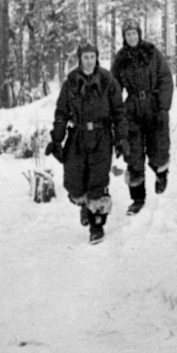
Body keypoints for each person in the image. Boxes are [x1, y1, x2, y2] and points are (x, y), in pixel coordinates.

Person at [46, 42, 130, 244]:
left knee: (97, 181)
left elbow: (119, 112)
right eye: (86, 57)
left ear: (97, 58)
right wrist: (57, 139)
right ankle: (85, 205)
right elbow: (61, 113)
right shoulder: (71, 82)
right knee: (74, 182)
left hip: (102, 137)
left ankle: (96, 226)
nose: (89, 61)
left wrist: (121, 138)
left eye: (92, 57)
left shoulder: (107, 80)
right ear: (80, 59)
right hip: (77, 136)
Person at [111, 18, 174, 215]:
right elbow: (113, 89)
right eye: (128, 34)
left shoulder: (152, 53)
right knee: (134, 156)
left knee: (158, 148)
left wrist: (163, 108)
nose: (132, 37)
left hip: (153, 107)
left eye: (134, 33)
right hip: (132, 111)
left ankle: (161, 174)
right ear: (124, 37)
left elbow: (165, 79)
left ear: (139, 34)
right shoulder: (120, 59)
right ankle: (137, 199)